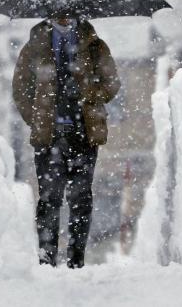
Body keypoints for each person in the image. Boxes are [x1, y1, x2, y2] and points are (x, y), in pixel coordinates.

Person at [12, 14, 120, 268]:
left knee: (81, 198)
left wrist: (90, 94)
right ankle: (47, 258)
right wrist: (38, 118)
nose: (64, 14)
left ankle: (75, 260)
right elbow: (20, 89)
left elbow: (112, 84)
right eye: (58, 9)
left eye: (69, 9)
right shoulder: (34, 47)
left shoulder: (95, 46)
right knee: (49, 199)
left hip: (84, 133)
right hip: (49, 136)